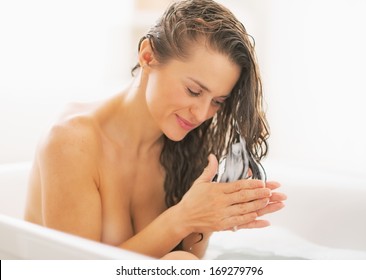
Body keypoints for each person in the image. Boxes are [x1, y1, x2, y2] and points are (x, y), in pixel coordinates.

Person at [24, 0, 286, 260]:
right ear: (148, 56)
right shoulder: (71, 141)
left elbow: (188, 256)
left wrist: (207, 219)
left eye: (217, 102)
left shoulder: (187, 146)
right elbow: (79, 272)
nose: (202, 114)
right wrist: (183, 216)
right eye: (193, 91)